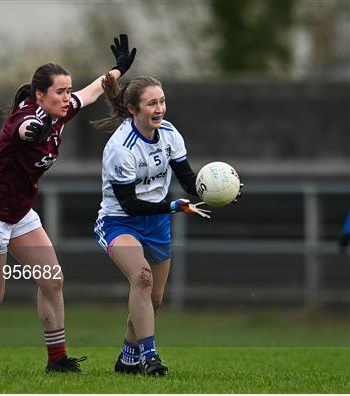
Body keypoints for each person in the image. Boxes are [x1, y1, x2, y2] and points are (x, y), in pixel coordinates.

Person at [0, 34, 137, 374]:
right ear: (39, 95)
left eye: (67, 90)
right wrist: (34, 130)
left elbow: (90, 93)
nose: (67, 97)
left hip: (18, 213)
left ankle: (57, 359)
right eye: (60, 91)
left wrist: (117, 70)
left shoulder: (60, 111)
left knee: (52, 279)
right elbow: (24, 128)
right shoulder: (29, 117)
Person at [91, 73, 240, 376]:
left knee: (154, 298)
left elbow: (187, 179)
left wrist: (217, 192)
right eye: (151, 104)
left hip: (157, 221)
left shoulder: (170, 133)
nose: (159, 108)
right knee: (142, 279)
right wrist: (173, 207)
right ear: (133, 109)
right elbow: (130, 204)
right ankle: (150, 357)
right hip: (121, 221)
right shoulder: (121, 148)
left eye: (161, 101)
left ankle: (128, 357)